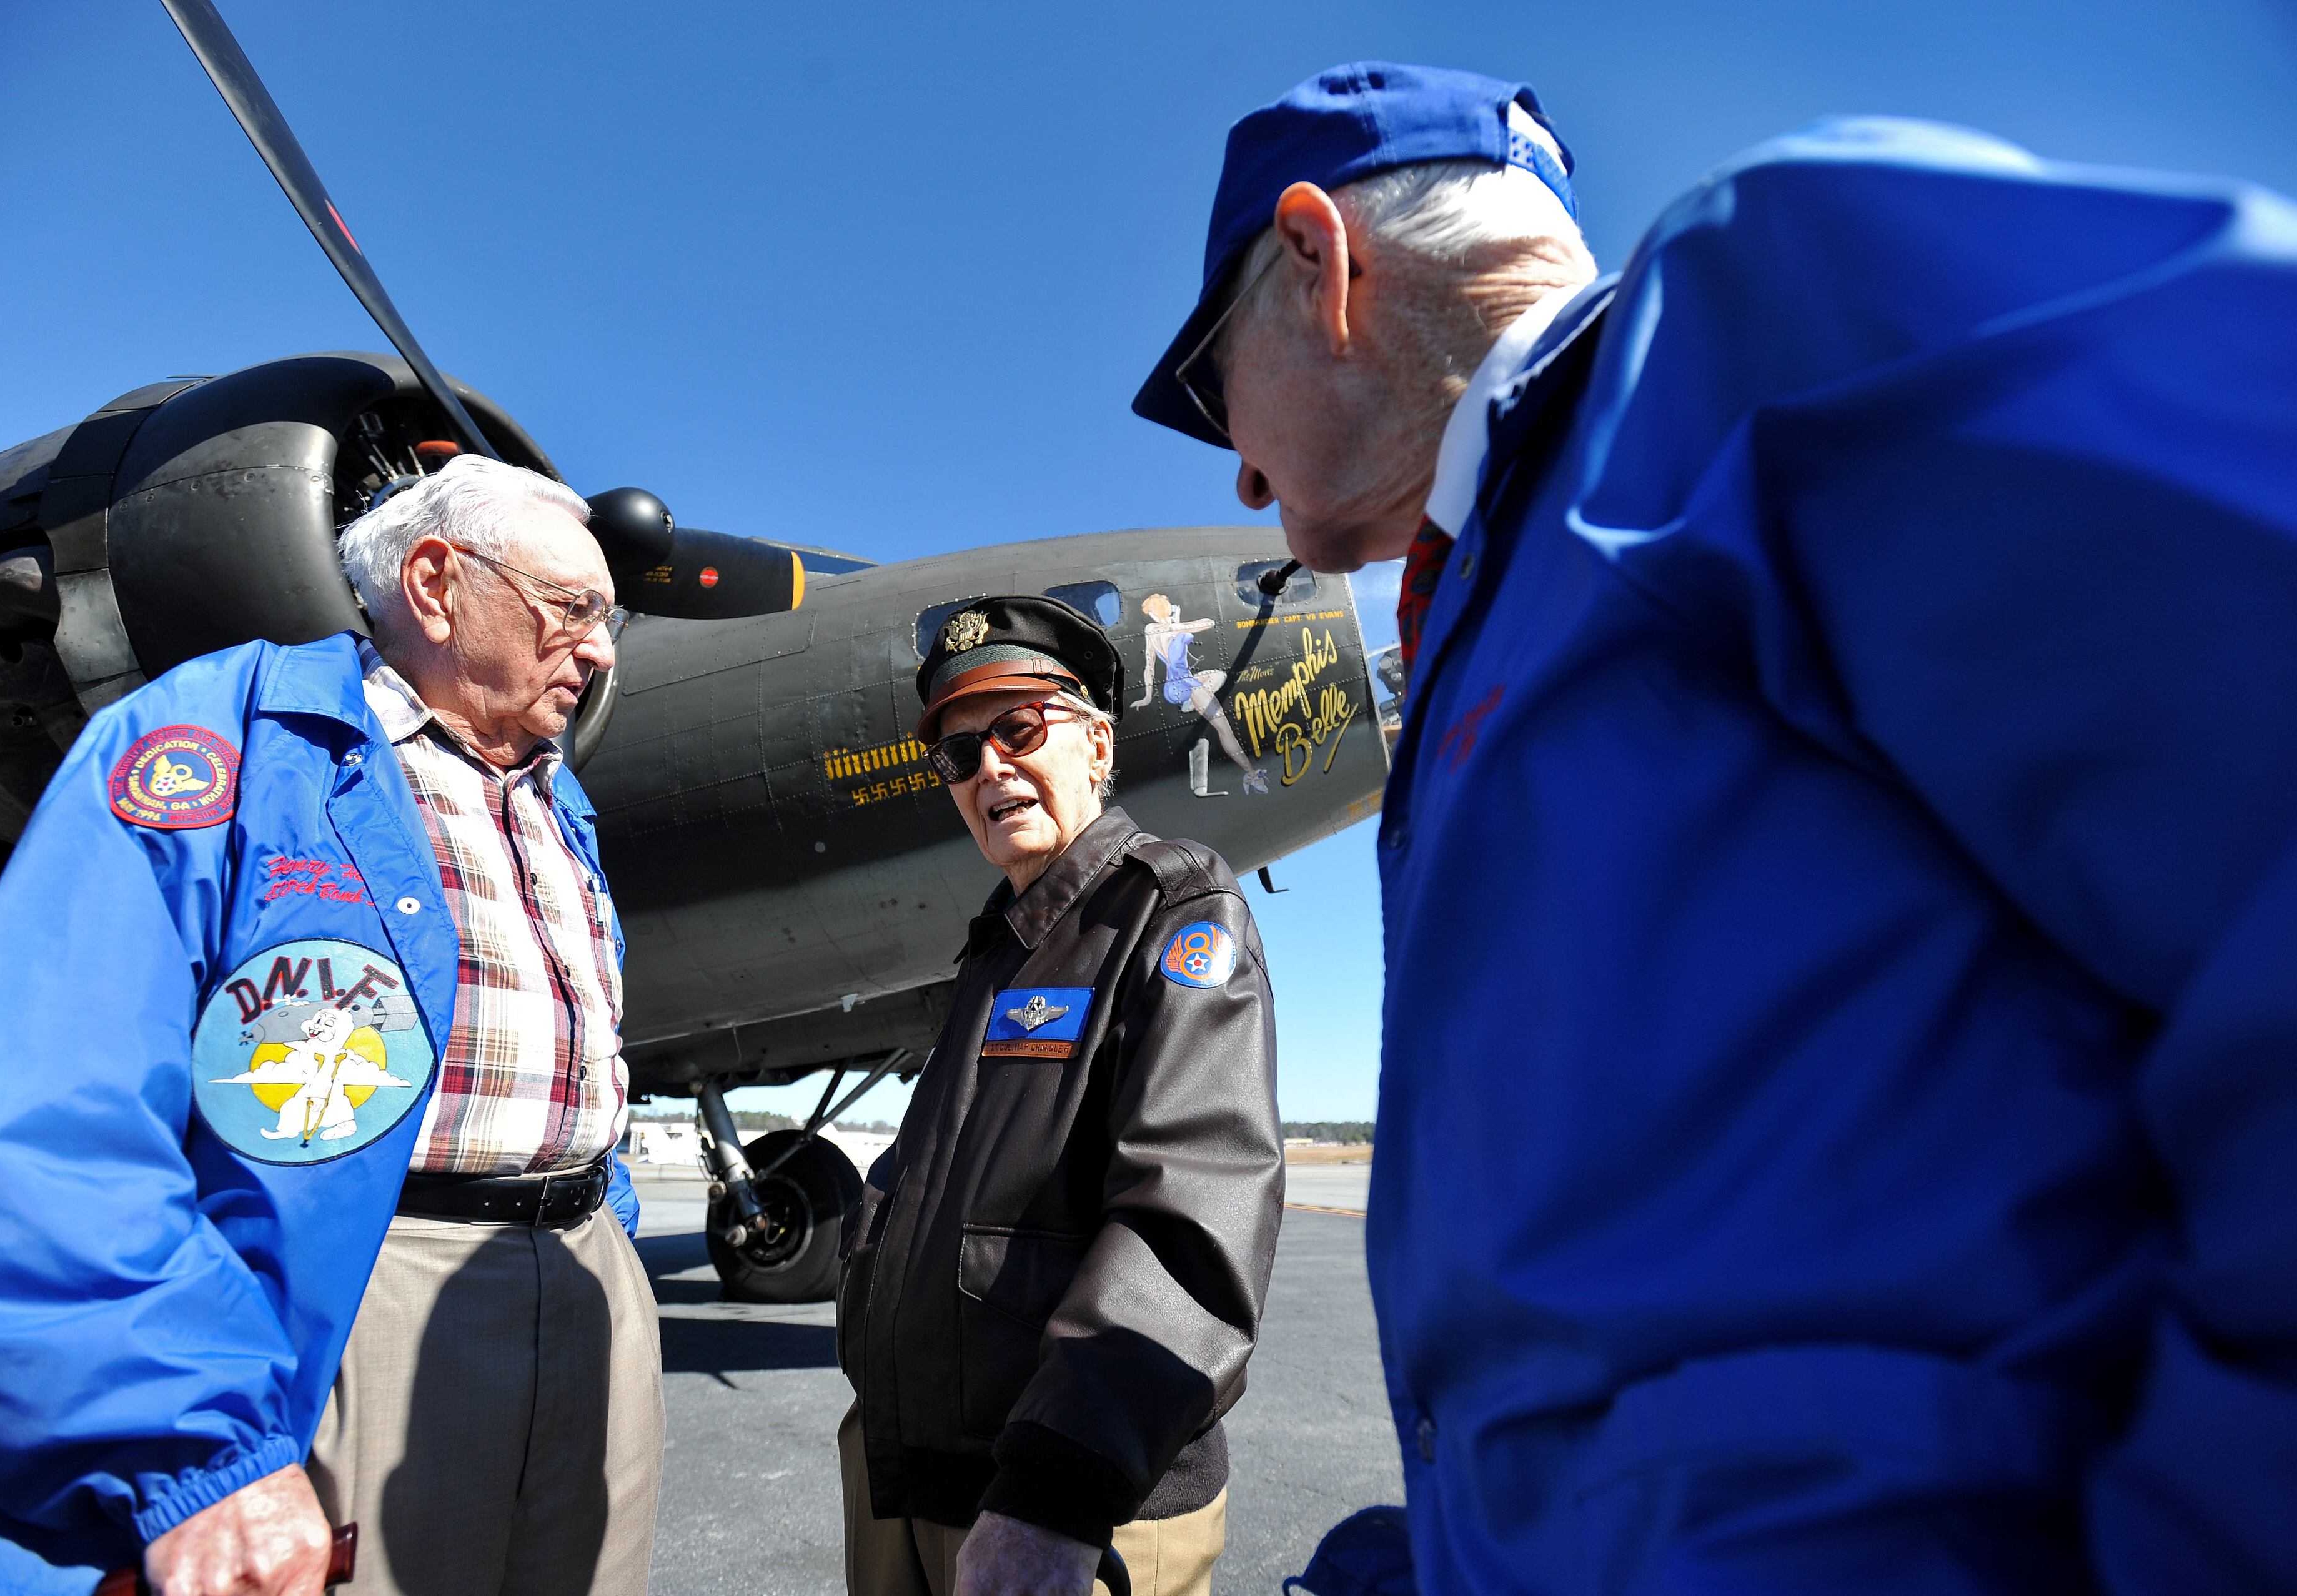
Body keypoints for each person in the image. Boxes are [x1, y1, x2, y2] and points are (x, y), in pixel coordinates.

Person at [1134, 62, 2297, 1595]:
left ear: (1316, 260)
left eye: (1223, 388)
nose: (1235, 469)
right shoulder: (1504, 586)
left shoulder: (1751, 318)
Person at [0, 454, 663, 1596]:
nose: (602, 652)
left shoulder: (558, 799)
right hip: (374, 1295)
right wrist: (197, 1450)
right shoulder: (225, 741)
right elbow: (52, 1110)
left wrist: (607, 1230)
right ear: (438, 583)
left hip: (588, 1275)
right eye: (573, 611)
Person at [836, 596, 1284, 1596]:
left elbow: (1190, 1215)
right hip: (918, 1477)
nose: (986, 767)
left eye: (1018, 728)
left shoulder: (1168, 907)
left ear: (1099, 744)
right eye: (957, 754)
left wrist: (1057, 1490)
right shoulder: (999, 942)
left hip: (1072, 1505)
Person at [1126, 592, 1266, 793]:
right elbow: (1208, 622)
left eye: (1153, 611)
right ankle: (1251, 773)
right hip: (1184, 686)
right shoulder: (1173, 628)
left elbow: (1149, 667)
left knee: (1219, 676)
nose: (1153, 616)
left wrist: (1148, 697)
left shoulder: (1151, 630)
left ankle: (1192, 703)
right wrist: (1178, 623)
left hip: (1176, 685)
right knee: (1224, 728)